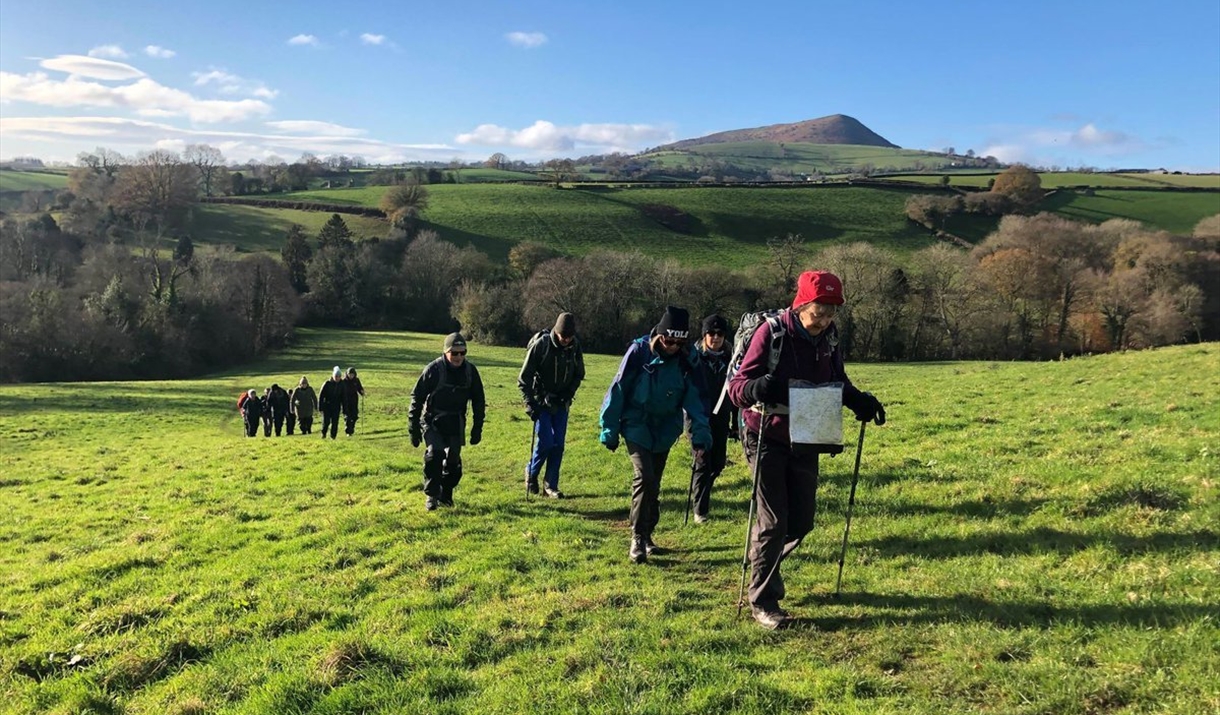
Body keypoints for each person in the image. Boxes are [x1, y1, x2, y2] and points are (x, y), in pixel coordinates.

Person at [728, 270, 886, 630]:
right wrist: (758, 388)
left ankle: (763, 566)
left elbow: (837, 380)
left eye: (831, 312)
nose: (825, 319)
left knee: (801, 521)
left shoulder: (829, 338)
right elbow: (738, 386)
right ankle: (764, 601)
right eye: (819, 311)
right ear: (801, 305)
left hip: (808, 433)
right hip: (764, 433)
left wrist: (859, 401)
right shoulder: (772, 333)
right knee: (773, 521)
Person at [599, 306, 712, 564]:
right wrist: (609, 428)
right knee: (645, 477)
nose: (672, 346)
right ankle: (637, 537)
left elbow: (696, 400)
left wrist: (700, 433)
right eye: (668, 340)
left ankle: (648, 533)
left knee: (655, 484)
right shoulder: (639, 353)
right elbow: (617, 388)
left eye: (678, 341)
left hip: (665, 428)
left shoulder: (688, 360)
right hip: (636, 422)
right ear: (659, 335)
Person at [408, 333, 487, 511]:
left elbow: (479, 400)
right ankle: (431, 496)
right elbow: (417, 397)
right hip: (432, 420)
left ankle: (446, 495)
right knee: (434, 455)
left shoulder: (470, 372)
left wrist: (477, 428)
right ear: (446, 353)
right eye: (454, 353)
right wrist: (412, 426)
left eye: (462, 353)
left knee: (453, 462)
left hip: (455, 421)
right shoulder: (433, 370)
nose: (459, 357)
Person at [519, 312, 586, 498]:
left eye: (569, 337)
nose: (566, 340)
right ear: (556, 332)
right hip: (541, 402)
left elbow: (579, 374)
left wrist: (568, 393)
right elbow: (524, 378)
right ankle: (531, 473)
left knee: (558, 445)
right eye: (563, 336)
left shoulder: (575, 346)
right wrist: (530, 403)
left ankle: (551, 485)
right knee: (547, 441)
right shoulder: (541, 345)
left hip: (562, 402)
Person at [688, 314, 737, 523]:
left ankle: (701, 492)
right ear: (704, 334)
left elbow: (736, 392)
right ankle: (700, 511)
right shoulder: (694, 357)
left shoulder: (732, 358)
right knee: (702, 462)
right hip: (698, 416)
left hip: (722, 416)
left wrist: (736, 423)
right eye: (711, 333)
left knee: (717, 464)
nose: (715, 337)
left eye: (720, 334)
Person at [318, 366, 345, 440]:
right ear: (333, 376)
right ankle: (323, 433)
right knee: (326, 422)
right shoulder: (327, 383)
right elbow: (321, 395)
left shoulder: (342, 384)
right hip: (327, 405)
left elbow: (344, 397)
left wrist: (344, 408)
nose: (337, 378)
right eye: (336, 376)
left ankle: (333, 436)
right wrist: (320, 407)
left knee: (335, 422)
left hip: (336, 406)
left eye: (339, 376)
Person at [342, 367, 366, 436]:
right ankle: (348, 432)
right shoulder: (344, 381)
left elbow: (359, 388)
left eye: (352, 374)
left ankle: (351, 429)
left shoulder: (356, 380)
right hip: (346, 401)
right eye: (349, 374)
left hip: (354, 400)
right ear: (347, 374)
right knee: (347, 417)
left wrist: (362, 392)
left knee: (354, 416)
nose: (351, 376)